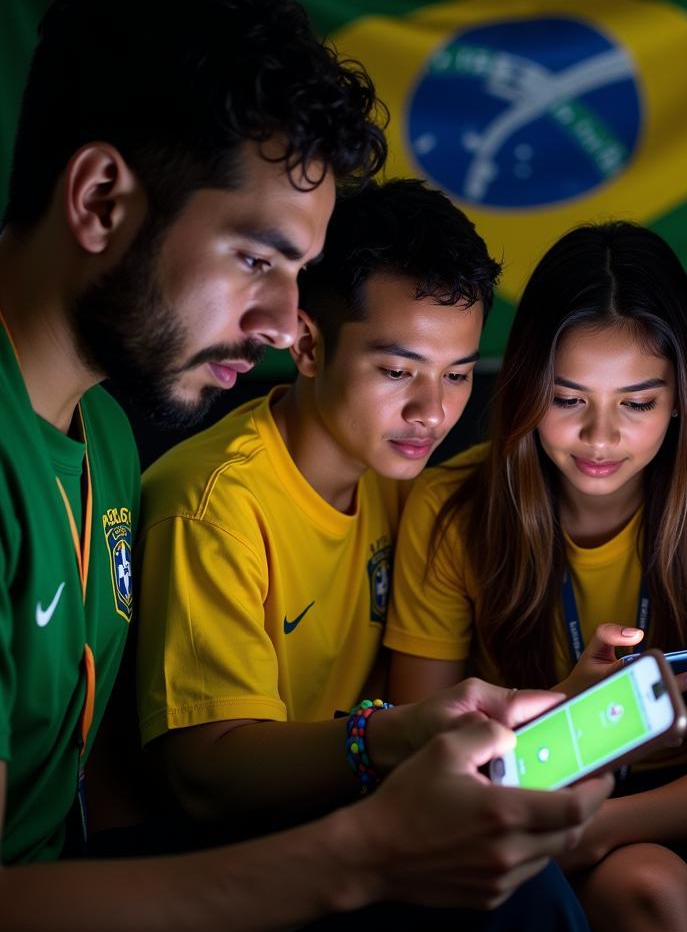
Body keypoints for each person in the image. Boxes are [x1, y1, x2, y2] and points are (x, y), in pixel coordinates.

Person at [0, 0, 609, 932]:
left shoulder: (100, 426)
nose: (287, 325)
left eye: (298, 275)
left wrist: (421, 738)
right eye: (256, 259)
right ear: (101, 199)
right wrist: (367, 847)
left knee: (518, 906)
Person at [385, 221, 687, 932]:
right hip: (524, 804)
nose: (600, 436)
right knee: (646, 886)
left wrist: (596, 826)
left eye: (638, 402)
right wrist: (578, 715)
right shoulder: (451, 509)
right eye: (568, 398)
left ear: (682, 395)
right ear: (524, 388)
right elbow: (424, 755)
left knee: (654, 882)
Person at [134, 177, 501, 829]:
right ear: (306, 345)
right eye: (396, 372)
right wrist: (382, 738)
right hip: (226, 871)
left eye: (459, 374)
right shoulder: (213, 504)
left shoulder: (410, 484)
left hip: (357, 835)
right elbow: (205, 774)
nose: (433, 411)